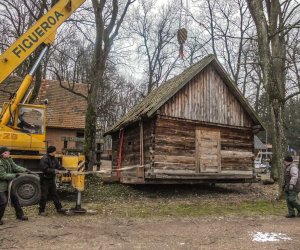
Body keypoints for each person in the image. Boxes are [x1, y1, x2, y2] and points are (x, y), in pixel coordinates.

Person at [0, 146, 29, 225]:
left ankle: (20, 215)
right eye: (7, 152)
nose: (9, 153)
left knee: (15, 199)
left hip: (8, 185)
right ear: (3, 154)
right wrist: (14, 175)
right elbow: (2, 175)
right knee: (3, 202)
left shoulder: (9, 159)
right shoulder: (0, 162)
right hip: (1, 186)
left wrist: (25, 170)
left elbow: (15, 167)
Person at [38, 146, 67, 216]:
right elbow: (44, 169)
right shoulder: (44, 159)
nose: (55, 152)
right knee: (44, 196)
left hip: (51, 179)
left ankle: (59, 208)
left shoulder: (54, 158)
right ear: (52, 151)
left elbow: (58, 166)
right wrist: (54, 171)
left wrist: (65, 170)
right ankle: (41, 211)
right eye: (55, 151)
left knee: (55, 194)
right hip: (45, 180)